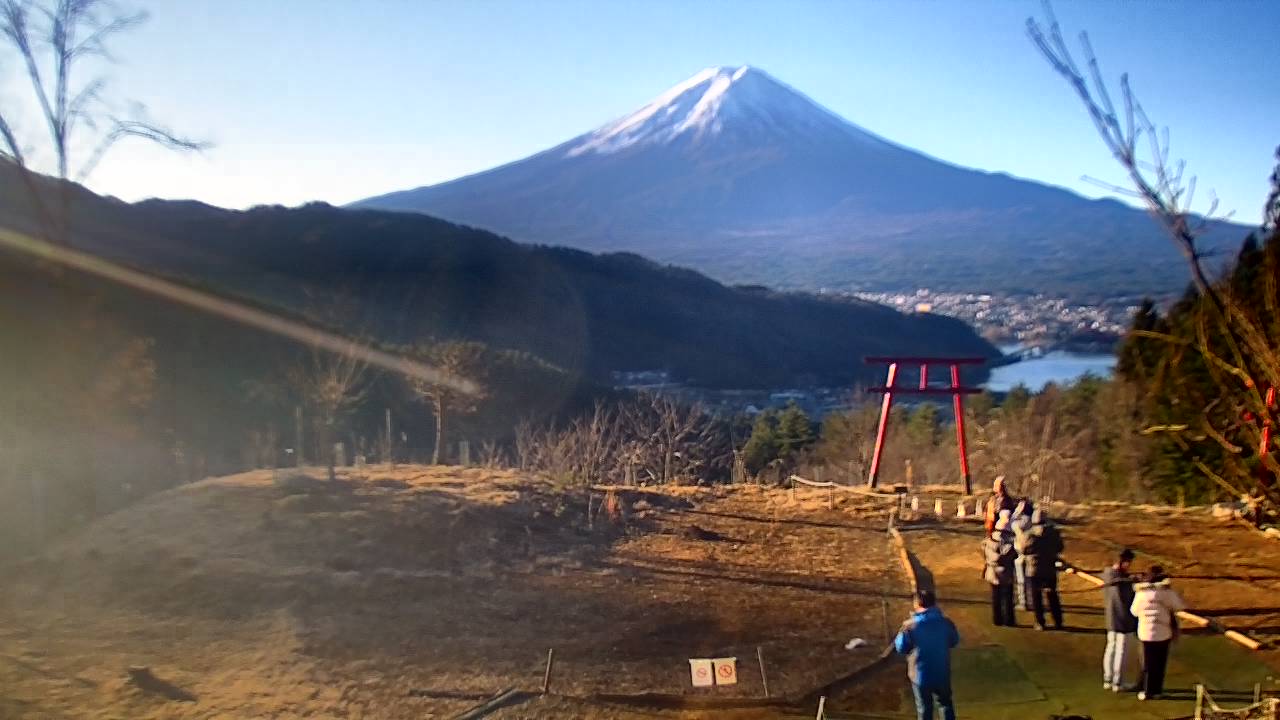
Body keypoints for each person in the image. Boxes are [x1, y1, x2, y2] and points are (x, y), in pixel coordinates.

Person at [894, 589, 960, 720]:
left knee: (924, 709)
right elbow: (954, 640)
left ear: (916, 604)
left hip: (920, 674)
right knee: (945, 704)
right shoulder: (946, 623)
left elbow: (901, 647)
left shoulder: (910, 626)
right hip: (942, 671)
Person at [1130, 566, 1187, 701]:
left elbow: (1134, 611)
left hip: (1145, 633)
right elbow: (1179, 606)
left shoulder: (1141, 593)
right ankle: (1156, 690)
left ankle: (1146, 690)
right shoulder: (1167, 593)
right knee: (1160, 664)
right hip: (1163, 633)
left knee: (1147, 664)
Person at [1017, 508, 1064, 630]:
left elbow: (1023, 550)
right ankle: (1058, 621)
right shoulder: (1053, 533)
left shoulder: (1029, 534)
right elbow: (1060, 547)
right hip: (1049, 568)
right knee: (1052, 596)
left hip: (1033, 570)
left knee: (1036, 598)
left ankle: (1040, 622)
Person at [1101, 549, 1138, 692]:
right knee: (1121, 651)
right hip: (1124, 619)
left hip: (1111, 618)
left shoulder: (1107, 573)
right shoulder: (1122, 580)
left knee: (1111, 648)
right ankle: (1118, 682)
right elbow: (1126, 588)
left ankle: (1108, 679)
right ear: (1124, 562)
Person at [982, 516, 1017, 626]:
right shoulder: (1010, 542)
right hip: (1006, 571)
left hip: (992, 571)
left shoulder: (988, 541)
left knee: (996, 597)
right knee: (1007, 597)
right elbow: (1012, 555)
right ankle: (1009, 620)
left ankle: (997, 620)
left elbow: (985, 552)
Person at [1010, 498, 1035, 610]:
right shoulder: (1033, 521)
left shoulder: (1021, 522)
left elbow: (1011, 522)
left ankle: (1024, 602)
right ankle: (1031, 601)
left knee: (1021, 580)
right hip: (1032, 554)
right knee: (1030, 579)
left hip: (1021, 554)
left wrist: (1017, 511)